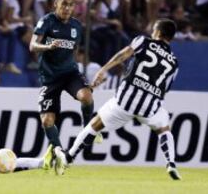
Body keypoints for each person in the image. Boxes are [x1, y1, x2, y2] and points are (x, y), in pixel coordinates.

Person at [54, 19, 182, 181]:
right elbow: (165, 89)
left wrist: (104, 69)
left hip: (125, 100)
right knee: (164, 128)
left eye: (153, 29)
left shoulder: (143, 41)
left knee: (95, 124)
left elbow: (123, 55)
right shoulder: (174, 63)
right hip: (149, 106)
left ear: (158, 33)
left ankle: (69, 157)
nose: (151, 32)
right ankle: (171, 163)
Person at [29, 0, 102, 154]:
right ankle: (58, 152)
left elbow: (74, 50)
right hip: (50, 78)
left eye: (70, 5)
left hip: (69, 73)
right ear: (56, 4)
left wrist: (72, 65)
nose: (67, 8)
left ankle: (87, 130)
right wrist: (47, 47)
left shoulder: (76, 25)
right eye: (64, 4)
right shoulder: (47, 21)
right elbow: (32, 45)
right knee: (47, 121)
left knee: (87, 97)